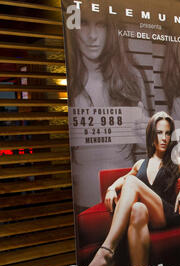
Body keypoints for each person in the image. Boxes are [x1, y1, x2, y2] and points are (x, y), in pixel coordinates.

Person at [78, 111, 180, 266]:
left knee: (132, 183)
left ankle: (106, 252)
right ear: (151, 135)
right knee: (137, 209)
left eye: (168, 133)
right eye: (159, 133)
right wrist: (112, 188)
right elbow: (123, 179)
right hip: (146, 216)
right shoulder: (140, 164)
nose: (164, 138)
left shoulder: (177, 161)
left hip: (167, 213)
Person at [64, 1, 151, 212]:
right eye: (84, 23)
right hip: (84, 198)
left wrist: (147, 137)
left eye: (100, 25)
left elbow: (152, 149)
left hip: (127, 195)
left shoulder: (132, 78)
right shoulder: (69, 84)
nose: (92, 35)